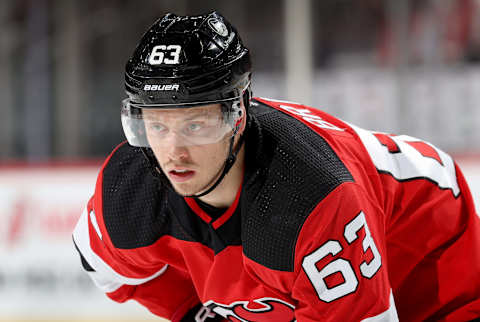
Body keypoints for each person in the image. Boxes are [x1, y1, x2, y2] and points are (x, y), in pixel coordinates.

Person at [72, 11, 480, 322]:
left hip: (424, 234)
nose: (173, 151)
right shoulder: (127, 191)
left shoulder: (312, 197)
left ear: (237, 116)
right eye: (156, 126)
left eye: (196, 124)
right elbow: (103, 267)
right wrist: (190, 312)